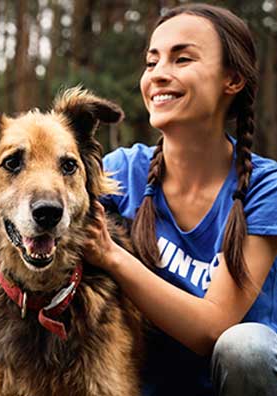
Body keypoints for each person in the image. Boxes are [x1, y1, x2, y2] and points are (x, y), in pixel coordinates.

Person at [84, 3, 277, 396]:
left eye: (182, 58)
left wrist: (112, 256)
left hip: (233, 384)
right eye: (151, 62)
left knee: (246, 348)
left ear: (233, 79)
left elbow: (213, 328)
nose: (158, 75)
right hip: (138, 385)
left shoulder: (265, 187)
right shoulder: (120, 173)